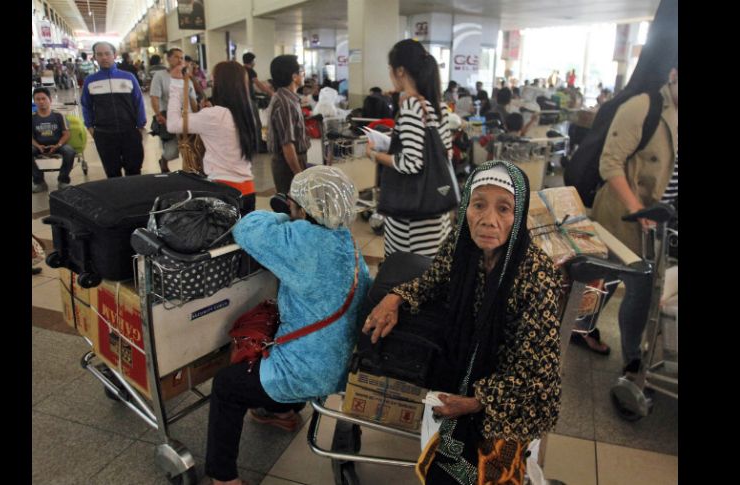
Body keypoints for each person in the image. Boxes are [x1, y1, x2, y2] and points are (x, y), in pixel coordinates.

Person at [363, 161, 563, 485]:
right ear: (466, 204)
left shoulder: (534, 276)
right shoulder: (462, 245)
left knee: (481, 471)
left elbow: (536, 373)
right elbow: (435, 279)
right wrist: (395, 297)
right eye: (478, 204)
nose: (488, 220)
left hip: (508, 394)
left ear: (520, 214)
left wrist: (473, 402)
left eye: (504, 209)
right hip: (466, 366)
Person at [203, 166, 371, 485]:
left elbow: (248, 227)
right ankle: (281, 413)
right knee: (289, 344)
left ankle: (223, 478)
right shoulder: (346, 241)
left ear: (303, 209)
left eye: (294, 204)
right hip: (343, 365)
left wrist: (284, 217)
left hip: (310, 371)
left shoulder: (301, 241)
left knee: (226, 386)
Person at [591, 66, 678, 375]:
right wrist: (636, 209)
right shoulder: (642, 107)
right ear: (673, 75)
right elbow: (609, 163)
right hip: (625, 215)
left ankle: (584, 328)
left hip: (659, 220)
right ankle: (632, 360)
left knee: (612, 277)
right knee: (635, 285)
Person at [365, 39, 452, 258]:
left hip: (412, 221)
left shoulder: (413, 107)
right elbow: (446, 154)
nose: (390, 75)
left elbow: (412, 163)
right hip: (435, 212)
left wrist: (375, 154)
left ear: (401, 71)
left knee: (406, 279)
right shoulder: (439, 106)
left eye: (390, 69)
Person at [166, 61, 259, 213]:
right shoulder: (246, 112)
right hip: (248, 191)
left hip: (222, 192)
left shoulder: (214, 115)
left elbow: (173, 124)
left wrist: (176, 85)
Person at [81, 42, 146, 178]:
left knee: (134, 170)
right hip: (104, 135)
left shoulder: (128, 77)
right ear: (95, 57)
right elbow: (86, 106)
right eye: (99, 54)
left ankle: (134, 198)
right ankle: (118, 198)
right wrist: (90, 127)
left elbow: (138, 101)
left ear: (114, 55)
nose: (104, 57)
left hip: (130, 132)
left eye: (107, 53)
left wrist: (140, 126)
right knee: (112, 173)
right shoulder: (90, 81)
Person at [150, 48, 198, 173]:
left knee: (189, 148)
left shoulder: (186, 76)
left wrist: (198, 114)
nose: (179, 60)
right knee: (172, 151)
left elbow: (192, 98)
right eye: (176, 57)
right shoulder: (160, 76)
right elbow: (154, 97)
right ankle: (164, 160)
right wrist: (158, 114)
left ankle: (188, 171)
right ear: (168, 58)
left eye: (181, 58)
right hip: (168, 116)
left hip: (187, 118)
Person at [266, 55, 310, 194]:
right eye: (301, 71)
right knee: (291, 208)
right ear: (294, 76)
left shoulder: (286, 98)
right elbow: (287, 145)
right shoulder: (285, 103)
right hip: (288, 163)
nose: (303, 74)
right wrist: (298, 174)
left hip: (291, 160)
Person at [32, 87, 75, 192]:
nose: (41, 102)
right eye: (38, 99)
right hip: (39, 146)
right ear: (34, 101)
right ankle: (39, 182)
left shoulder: (59, 116)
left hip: (58, 145)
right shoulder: (33, 117)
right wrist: (37, 145)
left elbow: (66, 134)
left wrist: (58, 145)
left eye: (43, 98)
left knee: (69, 151)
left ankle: (63, 180)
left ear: (50, 100)